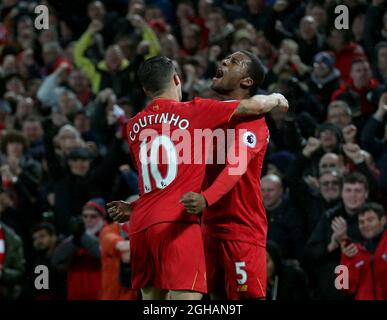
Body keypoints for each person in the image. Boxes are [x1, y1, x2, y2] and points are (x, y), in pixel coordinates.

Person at [108, 55, 289, 300]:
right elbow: (177, 177)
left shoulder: (250, 121)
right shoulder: (200, 117)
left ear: (247, 81)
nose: (224, 62)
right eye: (226, 59)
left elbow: (235, 169)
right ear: (175, 79)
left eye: (233, 61)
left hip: (240, 228)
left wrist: (205, 198)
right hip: (201, 225)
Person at [304, 172, 369, 299]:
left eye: (357, 191)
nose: (352, 195)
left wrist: (345, 239)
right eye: (348, 191)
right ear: (342, 193)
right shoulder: (329, 216)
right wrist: (331, 245)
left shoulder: (373, 216)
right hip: (335, 275)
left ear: (366, 194)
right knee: (334, 270)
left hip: (366, 272)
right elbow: (309, 253)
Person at [51, 198, 106, 300]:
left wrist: (81, 236)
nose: (88, 220)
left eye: (93, 216)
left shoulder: (110, 233)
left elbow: (103, 254)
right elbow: (56, 260)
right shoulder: (74, 237)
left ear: (102, 218)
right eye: (85, 216)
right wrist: (75, 239)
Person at [340, 202, 387, 300]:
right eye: (361, 222)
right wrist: (345, 260)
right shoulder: (353, 250)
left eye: (370, 220)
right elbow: (342, 286)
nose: (365, 225)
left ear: (383, 220)